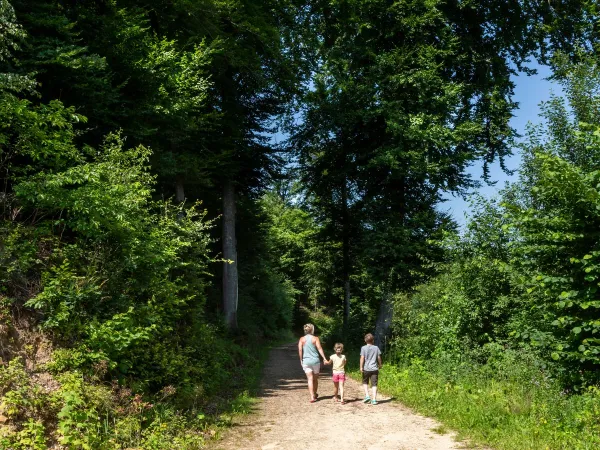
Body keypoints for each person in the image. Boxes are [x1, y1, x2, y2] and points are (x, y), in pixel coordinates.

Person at [298, 323, 328, 403]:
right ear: (312, 330)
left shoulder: (302, 339)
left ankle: (312, 396)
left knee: (309, 379)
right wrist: (324, 358)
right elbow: (319, 348)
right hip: (315, 361)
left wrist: (301, 360)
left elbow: (300, 350)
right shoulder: (315, 338)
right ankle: (314, 393)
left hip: (306, 361)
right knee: (315, 379)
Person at [360, 333, 382, 405]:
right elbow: (378, 357)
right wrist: (380, 364)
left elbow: (362, 358)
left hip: (366, 368)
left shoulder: (363, 348)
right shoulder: (376, 348)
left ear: (365, 340)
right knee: (374, 384)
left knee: (365, 382)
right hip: (374, 369)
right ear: (373, 340)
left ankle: (367, 396)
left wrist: (361, 367)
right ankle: (374, 399)